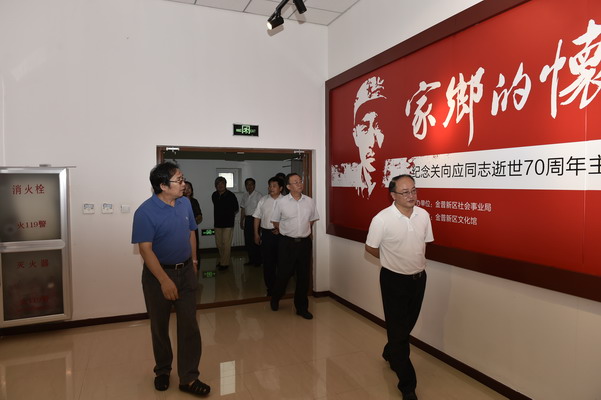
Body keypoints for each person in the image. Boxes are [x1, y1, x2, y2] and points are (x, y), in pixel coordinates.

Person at [131, 162, 210, 397]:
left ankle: (189, 377)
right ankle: (163, 370)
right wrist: (164, 281)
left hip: (185, 272)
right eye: (179, 180)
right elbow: (145, 249)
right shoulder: (145, 212)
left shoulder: (185, 203)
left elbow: (191, 232)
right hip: (157, 276)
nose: (184, 184)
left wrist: (193, 261)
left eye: (183, 178)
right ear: (163, 186)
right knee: (159, 326)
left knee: (189, 326)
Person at [364, 174, 433, 400]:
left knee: (405, 326)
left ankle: (390, 351)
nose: (411, 195)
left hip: (419, 278)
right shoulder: (382, 219)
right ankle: (407, 385)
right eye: (405, 192)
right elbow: (370, 248)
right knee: (399, 331)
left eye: (413, 190)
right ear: (393, 195)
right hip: (394, 280)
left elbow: (423, 244)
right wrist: (390, 260)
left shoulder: (423, 215)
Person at [270, 173, 319, 319]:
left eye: (300, 181)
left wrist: (302, 231)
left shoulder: (309, 201)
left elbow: (312, 219)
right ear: (288, 186)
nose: (300, 184)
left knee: (304, 276)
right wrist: (287, 231)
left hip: (304, 243)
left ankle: (301, 307)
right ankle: (275, 297)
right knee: (284, 274)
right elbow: (275, 221)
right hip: (287, 243)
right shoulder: (281, 202)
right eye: (295, 182)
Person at [330, 76, 388, 198]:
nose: (372, 142)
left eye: (378, 127)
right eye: (365, 128)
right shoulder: (349, 185)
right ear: (355, 135)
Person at [253, 176, 284, 296]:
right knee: (268, 263)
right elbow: (257, 217)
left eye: (274, 186)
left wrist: (281, 229)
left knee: (282, 263)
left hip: (282, 236)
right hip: (266, 234)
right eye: (270, 186)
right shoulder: (263, 200)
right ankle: (270, 288)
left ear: (281, 188)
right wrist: (256, 234)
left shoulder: (286, 201)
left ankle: (280, 287)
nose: (271, 188)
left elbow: (290, 219)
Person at [211, 176, 239, 270]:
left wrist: (228, 215)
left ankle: (224, 263)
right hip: (217, 223)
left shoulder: (231, 195)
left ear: (225, 184)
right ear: (216, 186)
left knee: (226, 244)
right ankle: (222, 260)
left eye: (222, 183)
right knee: (219, 244)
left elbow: (236, 208)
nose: (220, 185)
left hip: (228, 223)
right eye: (218, 184)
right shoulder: (214, 195)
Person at [240, 177, 262, 266]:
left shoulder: (258, 195)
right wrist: (241, 221)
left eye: (251, 184)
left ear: (254, 185)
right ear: (245, 186)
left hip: (255, 220)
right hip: (247, 220)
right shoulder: (245, 195)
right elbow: (243, 209)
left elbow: (262, 210)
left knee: (255, 240)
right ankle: (251, 260)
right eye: (247, 184)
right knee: (248, 241)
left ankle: (258, 261)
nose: (249, 186)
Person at [184, 181, 203, 251]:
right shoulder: (178, 201)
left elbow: (199, 214)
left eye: (189, 188)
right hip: (183, 229)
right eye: (185, 188)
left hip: (193, 227)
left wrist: (197, 219)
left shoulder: (194, 201)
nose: (187, 190)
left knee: (195, 247)